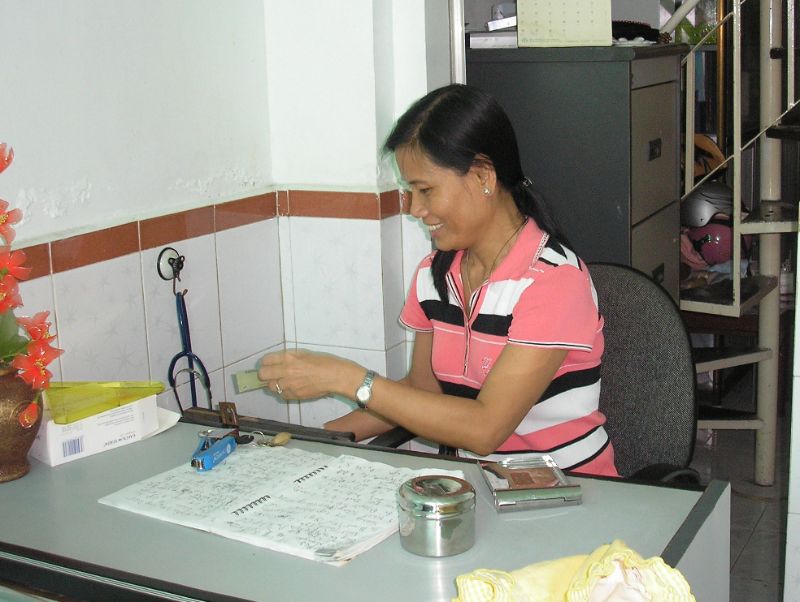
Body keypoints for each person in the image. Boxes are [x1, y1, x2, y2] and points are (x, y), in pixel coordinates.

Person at [259, 83, 618, 477]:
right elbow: (421, 392)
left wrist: (348, 379)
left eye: (425, 189)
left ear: (482, 176)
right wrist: (309, 441)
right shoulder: (435, 276)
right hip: (478, 488)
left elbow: (485, 429)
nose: (415, 208)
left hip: (568, 490)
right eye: (409, 191)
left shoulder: (554, 281)